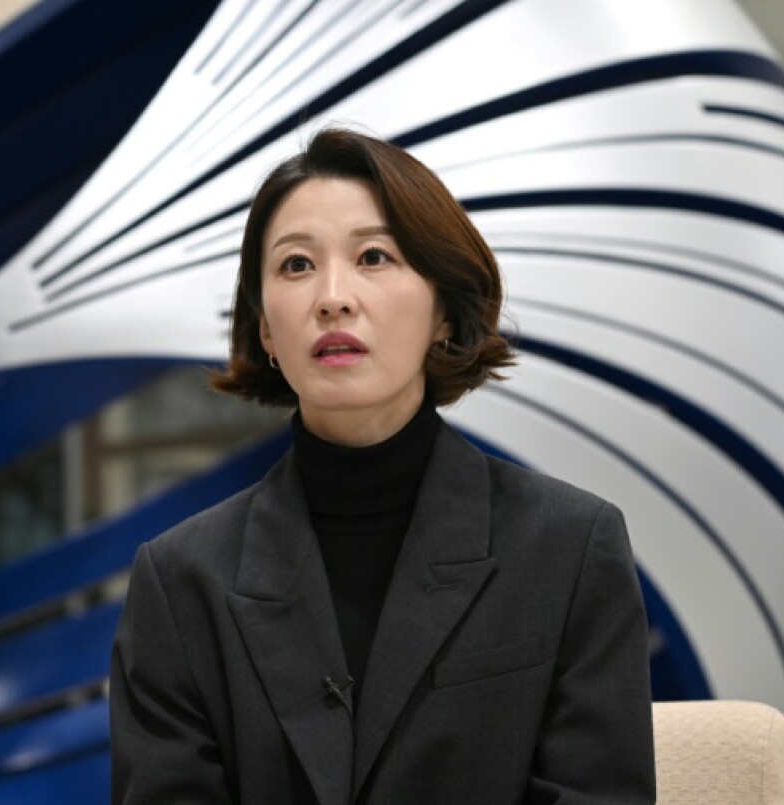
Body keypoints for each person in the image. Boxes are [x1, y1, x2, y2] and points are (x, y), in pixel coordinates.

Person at [109, 127, 656, 804]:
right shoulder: (179, 582)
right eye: (296, 265)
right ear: (266, 332)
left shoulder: (571, 548)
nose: (332, 297)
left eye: (373, 256)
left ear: (443, 314)